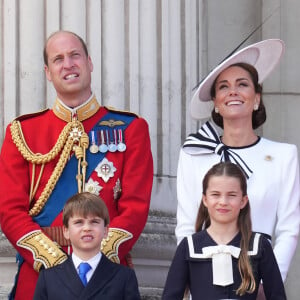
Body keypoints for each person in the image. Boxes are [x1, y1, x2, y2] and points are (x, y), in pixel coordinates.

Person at [0, 30, 153, 300]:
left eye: (74, 55)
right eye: (58, 59)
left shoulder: (131, 129)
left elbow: (135, 207)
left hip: (106, 276)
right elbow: (10, 211)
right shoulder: (22, 132)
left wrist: (93, 258)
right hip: (39, 274)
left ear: (89, 62)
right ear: (48, 72)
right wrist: (55, 263)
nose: (68, 64)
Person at [175, 39, 300, 289]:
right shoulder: (194, 153)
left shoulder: (284, 155)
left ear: (256, 98)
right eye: (223, 87)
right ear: (216, 103)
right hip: (205, 273)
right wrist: (195, 279)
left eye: (242, 84)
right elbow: (187, 226)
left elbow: (289, 228)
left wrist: (271, 281)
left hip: (260, 273)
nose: (233, 91)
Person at [163, 162, 286, 299]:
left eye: (232, 195)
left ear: (243, 201)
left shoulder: (259, 246)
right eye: (215, 194)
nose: (223, 201)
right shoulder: (189, 246)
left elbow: (277, 296)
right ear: (205, 199)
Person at [33, 192, 141, 300]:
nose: (87, 228)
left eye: (94, 222)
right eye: (79, 222)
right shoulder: (48, 278)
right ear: (66, 231)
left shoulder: (124, 277)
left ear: (105, 230)